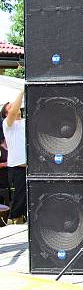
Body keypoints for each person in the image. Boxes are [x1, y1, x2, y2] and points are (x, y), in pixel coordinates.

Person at [1, 90, 26, 223]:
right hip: (17, 167)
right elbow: (13, 111)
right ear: (6, 113)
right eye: (10, 106)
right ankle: (13, 219)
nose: (14, 106)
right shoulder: (7, 124)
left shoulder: (26, 122)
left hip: (32, 166)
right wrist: (22, 91)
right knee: (19, 197)